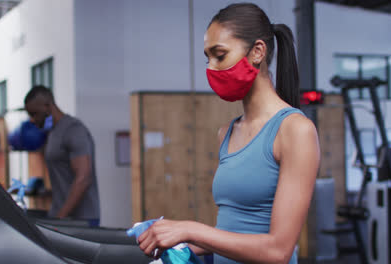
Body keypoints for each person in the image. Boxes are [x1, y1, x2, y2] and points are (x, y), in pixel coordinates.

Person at [137, 3, 319, 264]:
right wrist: (180, 241)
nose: (211, 68)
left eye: (219, 55)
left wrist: (192, 229)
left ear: (257, 51)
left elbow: (278, 251)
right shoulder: (227, 133)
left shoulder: (295, 131)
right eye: (207, 58)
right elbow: (232, 234)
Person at [24, 85, 100, 220]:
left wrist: (61, 217)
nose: (32, 119)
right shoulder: (53, 131)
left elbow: (83, 178)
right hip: (61, 215)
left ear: (47, 105)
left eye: (34, 113)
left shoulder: (74, 130)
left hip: (81, 220)